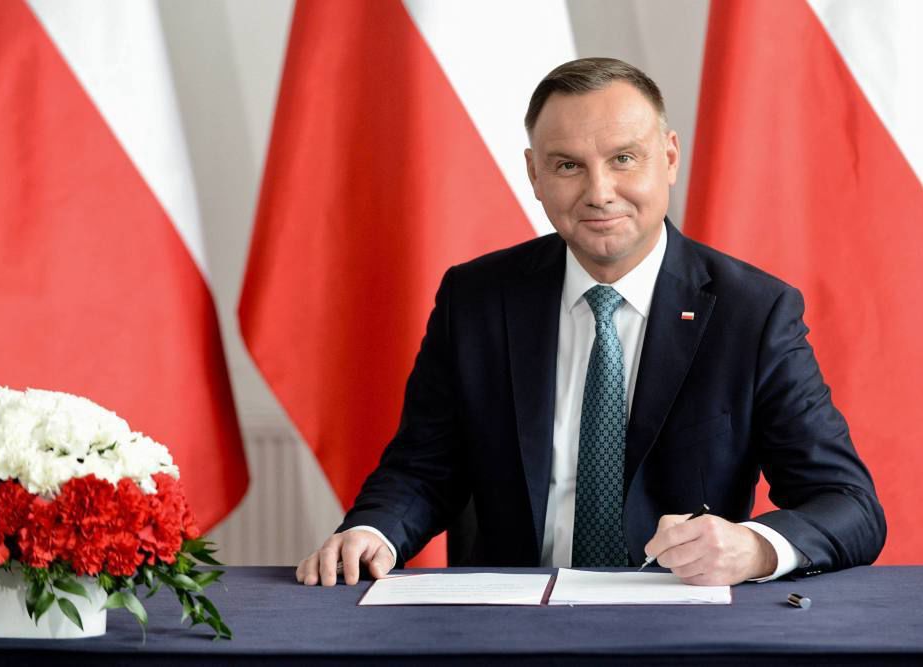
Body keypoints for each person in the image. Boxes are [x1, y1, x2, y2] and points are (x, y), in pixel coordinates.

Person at [296, 57, 885, 587]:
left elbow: (849, 504)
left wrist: (754, 548)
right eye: (568, 165)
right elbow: (421, 469)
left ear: (670, 157)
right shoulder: (475, 298)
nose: (599, 192)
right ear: (534, 175)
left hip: (679, 628)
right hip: (503, 626)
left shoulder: (752, 312)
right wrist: (372, 533)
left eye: (624, 158)